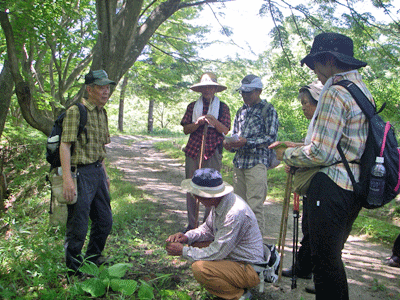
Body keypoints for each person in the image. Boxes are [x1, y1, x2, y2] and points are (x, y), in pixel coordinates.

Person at [270, 32, 371, 300]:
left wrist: (286, 155)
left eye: (315, 63)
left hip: (332, 186)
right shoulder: (362, 92)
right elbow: (342, 145)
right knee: (330, 258)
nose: (314, 71)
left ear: (329, 60)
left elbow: (320, 153)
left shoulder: (335, 92)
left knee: (325, 262)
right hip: (354, 184)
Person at [166, 168, 265, 300]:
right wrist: (187, 237)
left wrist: (183, 251)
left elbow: (217, 251)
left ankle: (240, 296)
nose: (195, 198)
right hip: (234, 256)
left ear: (211, 197)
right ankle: (229, 285)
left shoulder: (234, 213)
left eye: (198, 195)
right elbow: (207, 229)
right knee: (196, 244)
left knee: (200, 269)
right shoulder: (221, 203)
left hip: (248, 266)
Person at [60, 69, 115, 277]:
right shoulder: (77, 111)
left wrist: (105, 174)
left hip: (97, 171)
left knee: (104, 220)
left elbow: (100, 148)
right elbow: (65, 146)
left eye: (107, 87)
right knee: (79, 225)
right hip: (80, 174)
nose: (105, 91)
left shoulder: (102, 112)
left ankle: (93, 258)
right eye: (101, 87)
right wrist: (67, 179)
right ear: (89, 89)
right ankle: (73, 271)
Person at [224, 74, 279, 236]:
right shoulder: (241, 111)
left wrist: (246, 141)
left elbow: (271, 137)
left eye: (248, 92)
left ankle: (256, 248)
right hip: (239, 162)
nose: (245, 95)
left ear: (259, 91)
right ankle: (241, 244)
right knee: (239, 206)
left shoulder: (268, 110)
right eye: (243, 92)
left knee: (255, 206)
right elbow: (236, 134)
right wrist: (230, 144)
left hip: (257, 163)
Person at [282, 82, 323, 283]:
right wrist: (293, 149)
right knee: (308, 227)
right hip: (312, 184)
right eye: (302, 103)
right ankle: (304, 268)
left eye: (306, 102)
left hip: (321, 185)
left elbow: (317, 153)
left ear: (317, 102)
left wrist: (291, 156)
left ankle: (321, 277)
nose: (303, 106)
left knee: (316, 230)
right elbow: (309, 147)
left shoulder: (323, 122)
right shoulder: (315, 122)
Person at [181, 72, 231, 232]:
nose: (207, 89)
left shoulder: (223, 107)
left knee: (212, 189)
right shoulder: (192, 107)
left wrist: (213, 121)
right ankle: (191, 224)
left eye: (210, 87)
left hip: (213, 151)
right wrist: (198, 123)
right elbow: (185, 129)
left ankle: (207, 226)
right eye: (205, 87)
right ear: (201, 89)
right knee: (191, 186)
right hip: (193, 150)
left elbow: (225, 130)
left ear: (215, 89)